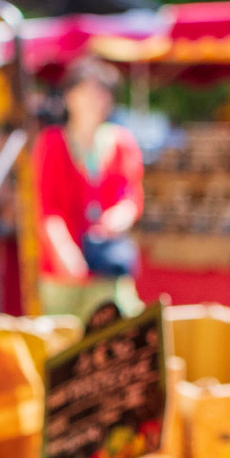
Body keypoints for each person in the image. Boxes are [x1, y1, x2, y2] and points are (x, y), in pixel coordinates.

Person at [31, 56, 144, 320]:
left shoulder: (121, 142)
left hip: (107, 265)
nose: (94, 100)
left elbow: (132, 197)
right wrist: (63, 251)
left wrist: (119, 217)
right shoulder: (51, 143)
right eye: (86, 92)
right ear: (69, 96)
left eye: (101, 92)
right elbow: (46, 207)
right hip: (63, 272)